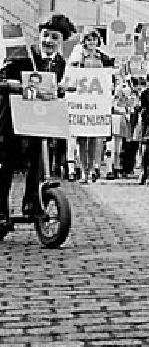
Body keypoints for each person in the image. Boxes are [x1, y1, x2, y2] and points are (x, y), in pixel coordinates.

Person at [0, 14, 76, 232]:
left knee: (39, 161)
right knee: (6, 165)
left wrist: (62, 89)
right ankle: (1, 212)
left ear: (61, 41)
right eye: (45, 36)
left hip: (38, 121)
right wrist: (11, 83)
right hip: (12, 119)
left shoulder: (59, 63)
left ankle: (32, 204)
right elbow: (2, 77)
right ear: (39, 35)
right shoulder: (22, 55)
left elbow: (52, 88)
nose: (49, 41)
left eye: (54, 37)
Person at [69, 26, 116, 183]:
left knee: (97, 137)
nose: (91, 42)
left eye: (94, 39)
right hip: (83, 103)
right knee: (82, 139)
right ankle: (83, 170)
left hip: (98, 103)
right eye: (88, 39)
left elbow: (110, 79)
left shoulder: (104, 58)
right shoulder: (78, 58)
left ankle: (95, 166)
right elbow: (71, 76)